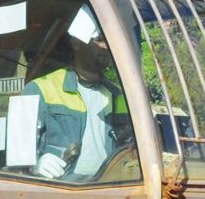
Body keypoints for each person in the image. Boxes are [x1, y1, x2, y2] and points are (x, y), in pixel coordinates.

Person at [24, 33, 129, 180]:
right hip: (61, 191)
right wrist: (33, 165)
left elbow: (130, 147)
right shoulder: (39, 89)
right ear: (76, 42)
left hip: (105, 188)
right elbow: (16, 154)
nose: (107, 46)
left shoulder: (118, 95)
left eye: (109, 40)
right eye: (99, 40)